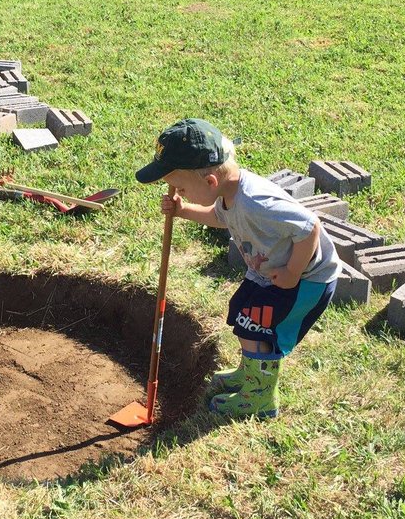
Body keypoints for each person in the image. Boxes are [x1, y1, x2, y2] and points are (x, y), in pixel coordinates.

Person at [136, 119, 340, 418]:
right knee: (244, 317)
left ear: (209, 182)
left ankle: (261, 397)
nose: (178, 192)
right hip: (266, 273)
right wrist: (183, 210)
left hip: (304, 280)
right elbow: (221, 218)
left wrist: (292, 273)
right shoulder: (228, 194)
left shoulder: (257, 202)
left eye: (181, 188)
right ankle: (251, 374)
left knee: (258, 328)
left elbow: (309, 227)